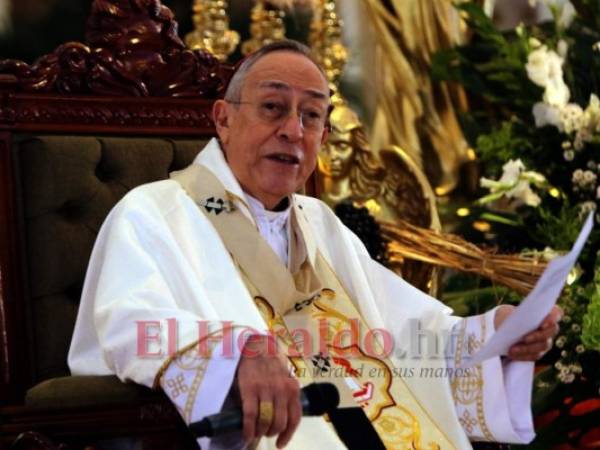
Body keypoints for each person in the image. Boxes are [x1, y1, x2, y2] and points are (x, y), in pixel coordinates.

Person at [68, 40, 562, 450]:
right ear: (222, 119)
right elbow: (127, 325)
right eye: (273, 107)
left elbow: (410, 331)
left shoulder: (320, 223)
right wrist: (238, 352)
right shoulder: (153, 213)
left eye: (312, 116)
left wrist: (496, 335)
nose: (293, 130)